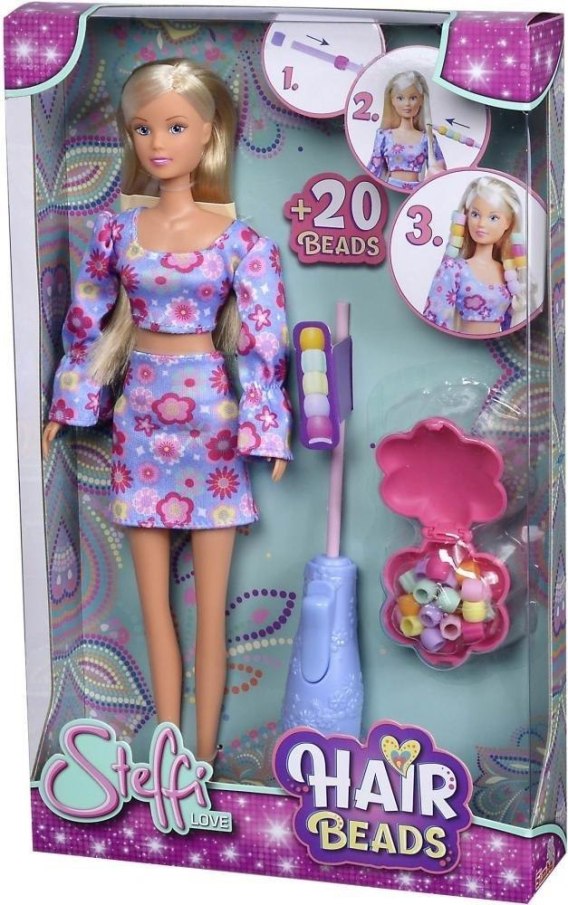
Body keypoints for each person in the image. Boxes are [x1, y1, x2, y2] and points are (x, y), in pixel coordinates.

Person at [42, 58, 292, 767]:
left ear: (209, 133)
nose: (157, 143)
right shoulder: (118, 233)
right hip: (141, 417)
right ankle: (167, 759)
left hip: (211, 422)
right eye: (143, 128)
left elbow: (264, 342)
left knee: (211, 612)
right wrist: (70, 403)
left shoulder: (242, 243)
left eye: (175, 127)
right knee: (154, 605)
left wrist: (266, 428)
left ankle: (204, 762)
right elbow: (87, 323)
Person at [423, 176, 526, 336]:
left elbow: (511, 325)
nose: (481, 224)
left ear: (508, 223)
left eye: (493, 218)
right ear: (465, 217)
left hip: (496, 349)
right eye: (475, 214)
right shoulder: (453, 269)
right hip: (461, 348)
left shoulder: (510, 273)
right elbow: (435, 321)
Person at [367, 70, 446, 191]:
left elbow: (441, 174)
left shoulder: (428, 139)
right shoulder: (384, 136)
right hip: (390, 189)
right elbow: (374, 169)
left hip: (416, 192)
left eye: (413, 98)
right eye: (400, 98)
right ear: (392, 100)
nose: (407, 104)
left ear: (421, 100)